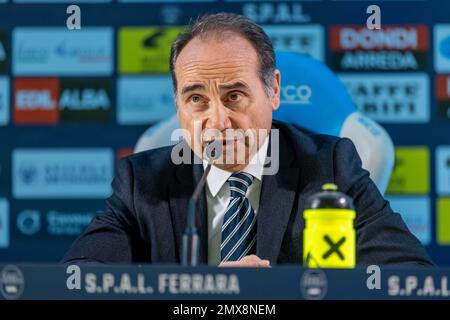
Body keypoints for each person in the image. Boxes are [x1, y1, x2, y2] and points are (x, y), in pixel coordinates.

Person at [63, 12, 433, 267]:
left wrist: (270, 295)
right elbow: (80, 277)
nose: (218, 121)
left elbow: (408, 274)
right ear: (178, 106)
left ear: (273, 90)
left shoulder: (330, 166)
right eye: (196, 100)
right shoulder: (142, 182)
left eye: (234, 96)